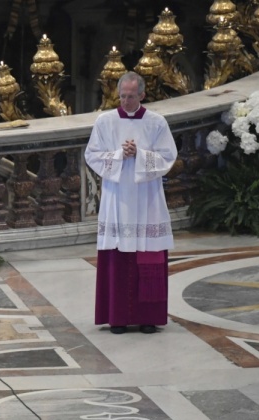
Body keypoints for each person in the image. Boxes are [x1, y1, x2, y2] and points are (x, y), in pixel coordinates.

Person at [84, 71, 177, 335]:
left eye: (131, 96)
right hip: (118, 199)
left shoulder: (156, 123)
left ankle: (149, 317)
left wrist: (139, 155)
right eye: (122, 96)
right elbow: (92, 155)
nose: (125, 101)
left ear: (142, 95)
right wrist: (117, 155)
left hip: (147, 199)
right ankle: (118, 318)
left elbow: (168, 157)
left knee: (149, 256)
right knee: (118, 256)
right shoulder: (105, 121)